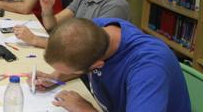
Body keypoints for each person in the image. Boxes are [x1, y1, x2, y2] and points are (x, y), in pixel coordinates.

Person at [35, 18, 190, 112]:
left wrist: (86, 109)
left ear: (97, 65)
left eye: (66, 71)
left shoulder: (148, 69)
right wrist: (54, 77)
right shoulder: (98, 29)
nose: (60, 73)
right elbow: (82, 60)